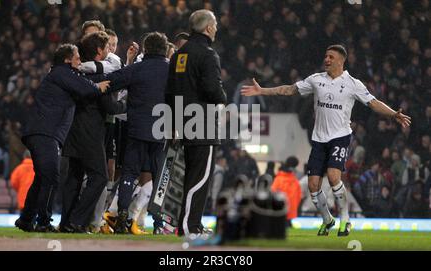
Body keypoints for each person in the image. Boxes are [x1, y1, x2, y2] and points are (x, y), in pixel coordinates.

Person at [241, 44, 411, 236]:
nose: (326, 60)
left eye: (331, 57)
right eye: (326, 56)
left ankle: (345, 220)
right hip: (319, 139)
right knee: (313, 184)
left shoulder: (353, 84)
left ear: (341, 60)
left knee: (333, 177)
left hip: (340, 137)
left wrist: (393, 115)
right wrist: (262, 91)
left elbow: (373, 103)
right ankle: (327, 219)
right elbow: (289, 90)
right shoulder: (315, 80)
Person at [14, 44, 110, 233]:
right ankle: (43, 221)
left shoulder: (59, 74)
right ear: (67, 60)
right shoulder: (62, 72)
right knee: (51, 176)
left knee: (42, 178)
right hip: (45, 133)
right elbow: (85, 89)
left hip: (41, 132)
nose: (80, 61)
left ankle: (26, 220)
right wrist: (98, 87)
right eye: (77, 58)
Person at [166, 9, 227, 237]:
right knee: (200, 178)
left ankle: (192, 224)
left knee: (191, 175)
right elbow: (212, 89)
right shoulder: (207, 54)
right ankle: (189, 227)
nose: (217, 29)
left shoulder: (179, 55)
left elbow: (170, 92)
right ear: (209, 28)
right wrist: (223, 97)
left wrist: (172, 122)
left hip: (183, 121)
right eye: (216, 25)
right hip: (202, 122)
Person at [59, 32, 127, 233]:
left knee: (74, 177)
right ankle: (77, 221)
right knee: (99, 176)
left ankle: (66, 222)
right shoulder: (99, 76)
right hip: (90, 133)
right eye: (107, 48)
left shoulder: (78, 73)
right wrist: (127, 103)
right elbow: (111, 107)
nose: (109, 51)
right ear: (99, 51)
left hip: (73, 130)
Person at [106, 32, 170, 234]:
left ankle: (122, 213)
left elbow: (111, 82)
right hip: (161, 132)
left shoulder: (137, 69)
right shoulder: (173, 71)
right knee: (156, 177)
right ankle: (149, 219)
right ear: (165, 49)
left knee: (130, 173)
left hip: (136, 130)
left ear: (146, 49)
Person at [271, 156, 302, 225]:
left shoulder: (278, 180)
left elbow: (273, 193)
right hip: (291, 209)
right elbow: (299, 196)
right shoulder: (295, 181)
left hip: (280, 210)